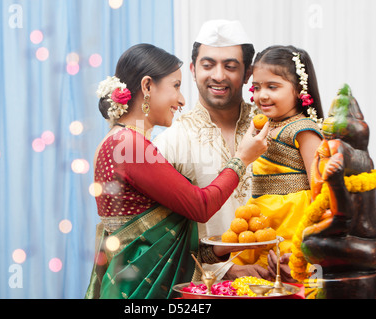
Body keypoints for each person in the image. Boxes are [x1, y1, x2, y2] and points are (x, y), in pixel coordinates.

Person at [85, 43, 269, 299]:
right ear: (147, 86)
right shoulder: (129, 146)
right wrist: (241, 159)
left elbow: (160, 236)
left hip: (127, 283)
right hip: (140, 291)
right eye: (176, 86)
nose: (182, 100)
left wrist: (224, 263)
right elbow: (200, 206)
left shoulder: (118, 140)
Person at [154, 20, 270, 280]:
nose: (218, 75)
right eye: (208, 65)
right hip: (206, 291)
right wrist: (225, 271)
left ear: (248, 73)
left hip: (278, 282)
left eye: (230, 66)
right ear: (193, 69)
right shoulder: (171, 142)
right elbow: (161, 241)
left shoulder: (273, 128)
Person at [238, 45, 324, 282]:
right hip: (262, 220)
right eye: (256, 87)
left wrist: (307, 245)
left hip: (292, 222)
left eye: (272, 87)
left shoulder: (304, 131)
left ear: (299, 89)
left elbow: (321, 192)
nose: (261, 95)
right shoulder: (263, 126)